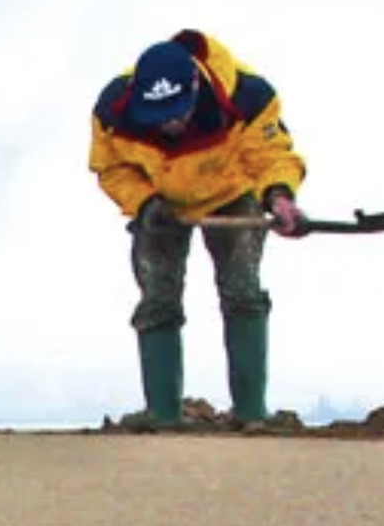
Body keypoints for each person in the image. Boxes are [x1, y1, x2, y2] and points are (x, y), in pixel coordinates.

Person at [89, 29, 308, 430]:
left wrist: (279, 198)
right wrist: (144, 203)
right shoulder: (111, 111)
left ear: (195, 84)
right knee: (157, 296)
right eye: (158, 117)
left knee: (242, 290)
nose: (170, 125)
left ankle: (251, 413)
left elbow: (272, 155)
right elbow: (112, 168)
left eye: (178, 112)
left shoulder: (248, 96)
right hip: (159, 202)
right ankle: (163, 414)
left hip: (233, 192)